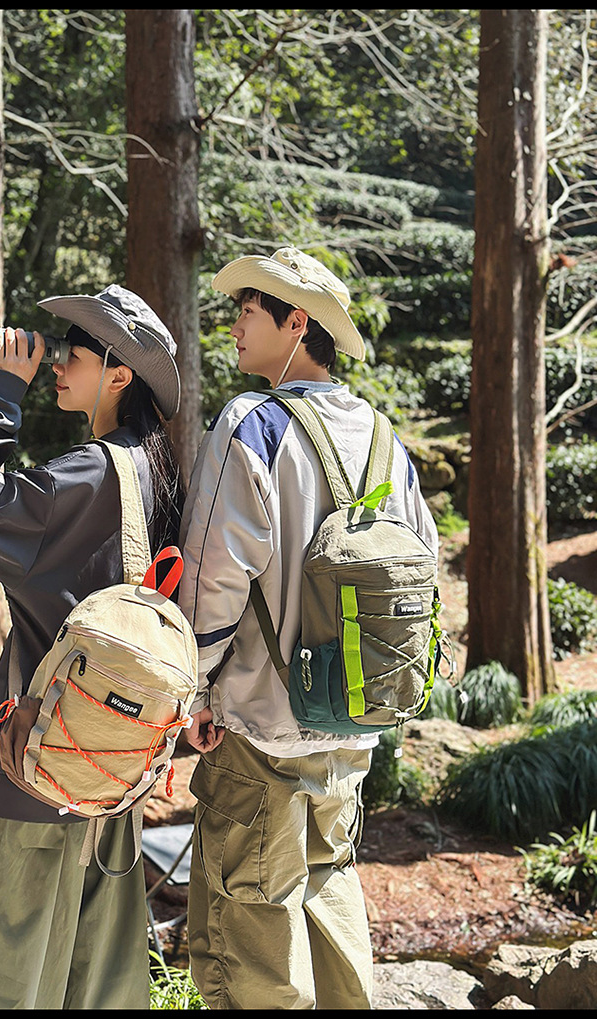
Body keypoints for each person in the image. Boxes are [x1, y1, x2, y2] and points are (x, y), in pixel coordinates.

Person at [178, 246, 438, 1010]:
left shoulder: (252, 425)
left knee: (252, 913)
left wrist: (193, 691)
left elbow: (214, 576)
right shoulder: (384, 435)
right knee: (329, 883)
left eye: (247, 311)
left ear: (297, 323)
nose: (233, 327)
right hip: (354, 721)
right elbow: (421, 564)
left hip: (261, 725)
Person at [0, 285, 185, 1010]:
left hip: (33, 771)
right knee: (89, 983)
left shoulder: (94, 472)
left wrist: (3, 391)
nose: (58, 361)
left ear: (119, 374)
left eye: (75, 351)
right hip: (111, 777)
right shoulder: (156, 474)